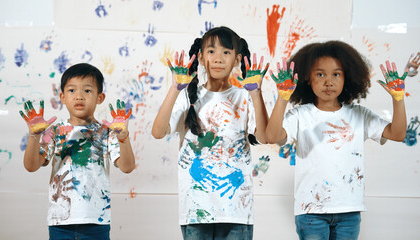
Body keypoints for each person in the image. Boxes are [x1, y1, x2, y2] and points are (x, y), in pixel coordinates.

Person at [266, 40, 407, 240]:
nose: (329, 81)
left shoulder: (359, 115)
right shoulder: (300, 115)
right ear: (307, 78)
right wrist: (282, 98)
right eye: (320, 74)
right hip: (310, 211)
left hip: (349, 210)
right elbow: (272, 136)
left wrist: (398, 99)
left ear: (346, 78)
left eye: (336, 74)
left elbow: (398, 134)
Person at [151, 26, 269, 240]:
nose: (218, 58)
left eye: (226, 52)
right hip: (197, 211)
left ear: (237, 60)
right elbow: (158, 132)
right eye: (211, 51)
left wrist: (256, 94)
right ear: (201, 57)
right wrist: (174, 88)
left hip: (237, 211)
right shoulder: (187, 95)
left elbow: (263, 137)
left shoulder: (245, 96)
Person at [20, 63, 135, 240]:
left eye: (87, 91)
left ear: (100, 97)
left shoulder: (106, 132)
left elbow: (127, 167)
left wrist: (123, 137)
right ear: (62, 97)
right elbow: (31, 166)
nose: (79, 96)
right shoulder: (55, 132)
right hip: (60, 222)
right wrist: (33, 135)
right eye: (72, 90)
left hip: (97, 222)